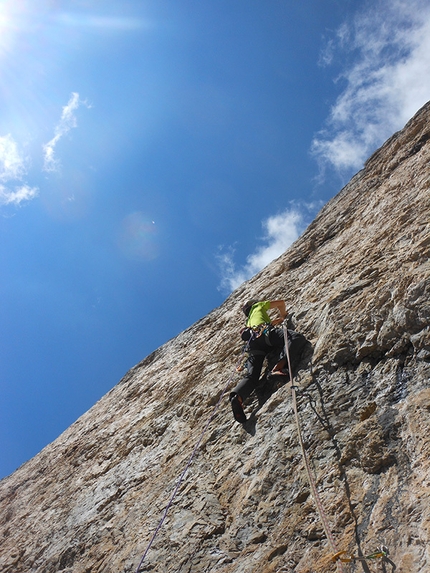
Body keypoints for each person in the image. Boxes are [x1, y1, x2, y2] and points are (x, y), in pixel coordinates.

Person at [230, 299, 289, 424]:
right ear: (253, 304)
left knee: (252, 375)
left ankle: (238, 397)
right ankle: (279, 367)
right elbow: (281, 303)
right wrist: (283, 315)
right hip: (265, 337)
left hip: (253, 346)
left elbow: (260, 325)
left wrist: (273, 322)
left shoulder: (248, 321)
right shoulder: (258, 306)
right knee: (293, 338)